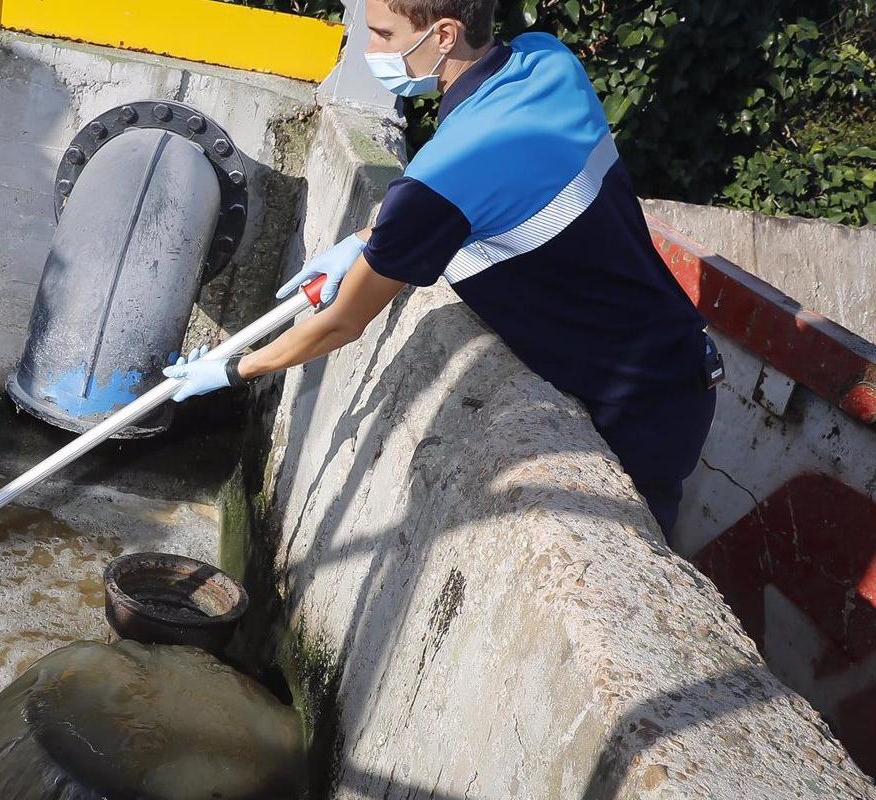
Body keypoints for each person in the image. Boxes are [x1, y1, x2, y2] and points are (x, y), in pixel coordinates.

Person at [163, 0, 720, 538]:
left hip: (637, 410)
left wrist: (234, 369)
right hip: (681, 359)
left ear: (445, 36)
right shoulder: (549, 61)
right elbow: (492, 193)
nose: (368, 46)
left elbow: (341, 324)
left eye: (382, 34)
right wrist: (366, 240)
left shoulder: (439, 180)